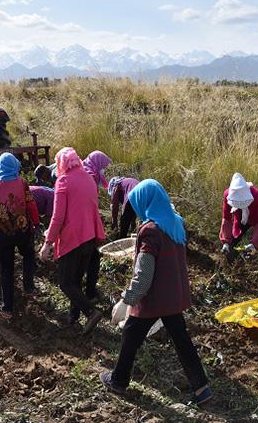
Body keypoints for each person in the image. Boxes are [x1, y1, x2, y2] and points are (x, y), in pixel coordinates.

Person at [100, 179, 211, 406]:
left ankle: (118, 381)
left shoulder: (151, 231)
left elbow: (143, 275)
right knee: (181, 340)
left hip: (154, 298)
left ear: (145, 201)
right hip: (173, 296)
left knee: (131, 335)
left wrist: (125, 301)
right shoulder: (174, 223)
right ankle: (202, 387)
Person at [39, 147, 105, 334]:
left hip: (73, 239)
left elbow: (58, 217)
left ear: (61, 163)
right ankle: (73, 319)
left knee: (65, 283)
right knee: (75, 280)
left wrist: (48, 243)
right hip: (90, 237)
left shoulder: (63, 182)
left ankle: (90, 312)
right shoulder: (88, 179)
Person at [0, 153, 39, 318]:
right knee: (28, 255)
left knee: (6, 269)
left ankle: (7, 307)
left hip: (2, 233)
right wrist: (36, 223)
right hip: (22, 229)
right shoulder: (22, 183)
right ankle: (29, 287)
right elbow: (31, 205)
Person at [220, 173, 258, 291]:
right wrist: (225, 241)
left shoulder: (255, 194)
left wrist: (254, 244)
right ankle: (232, 274)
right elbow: (226, 219)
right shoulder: (226, 195)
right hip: (240, 218)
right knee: (230, 246)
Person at [82, 150, 112, 302]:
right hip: (85, 223)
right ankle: (88, 294)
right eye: (103, 166)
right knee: (92, 258)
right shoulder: (91, 176)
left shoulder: (85, 169)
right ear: (97, 163)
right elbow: (91, 205)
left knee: (87, 258)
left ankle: (87, 291)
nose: (104, 169)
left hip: (79, 221)